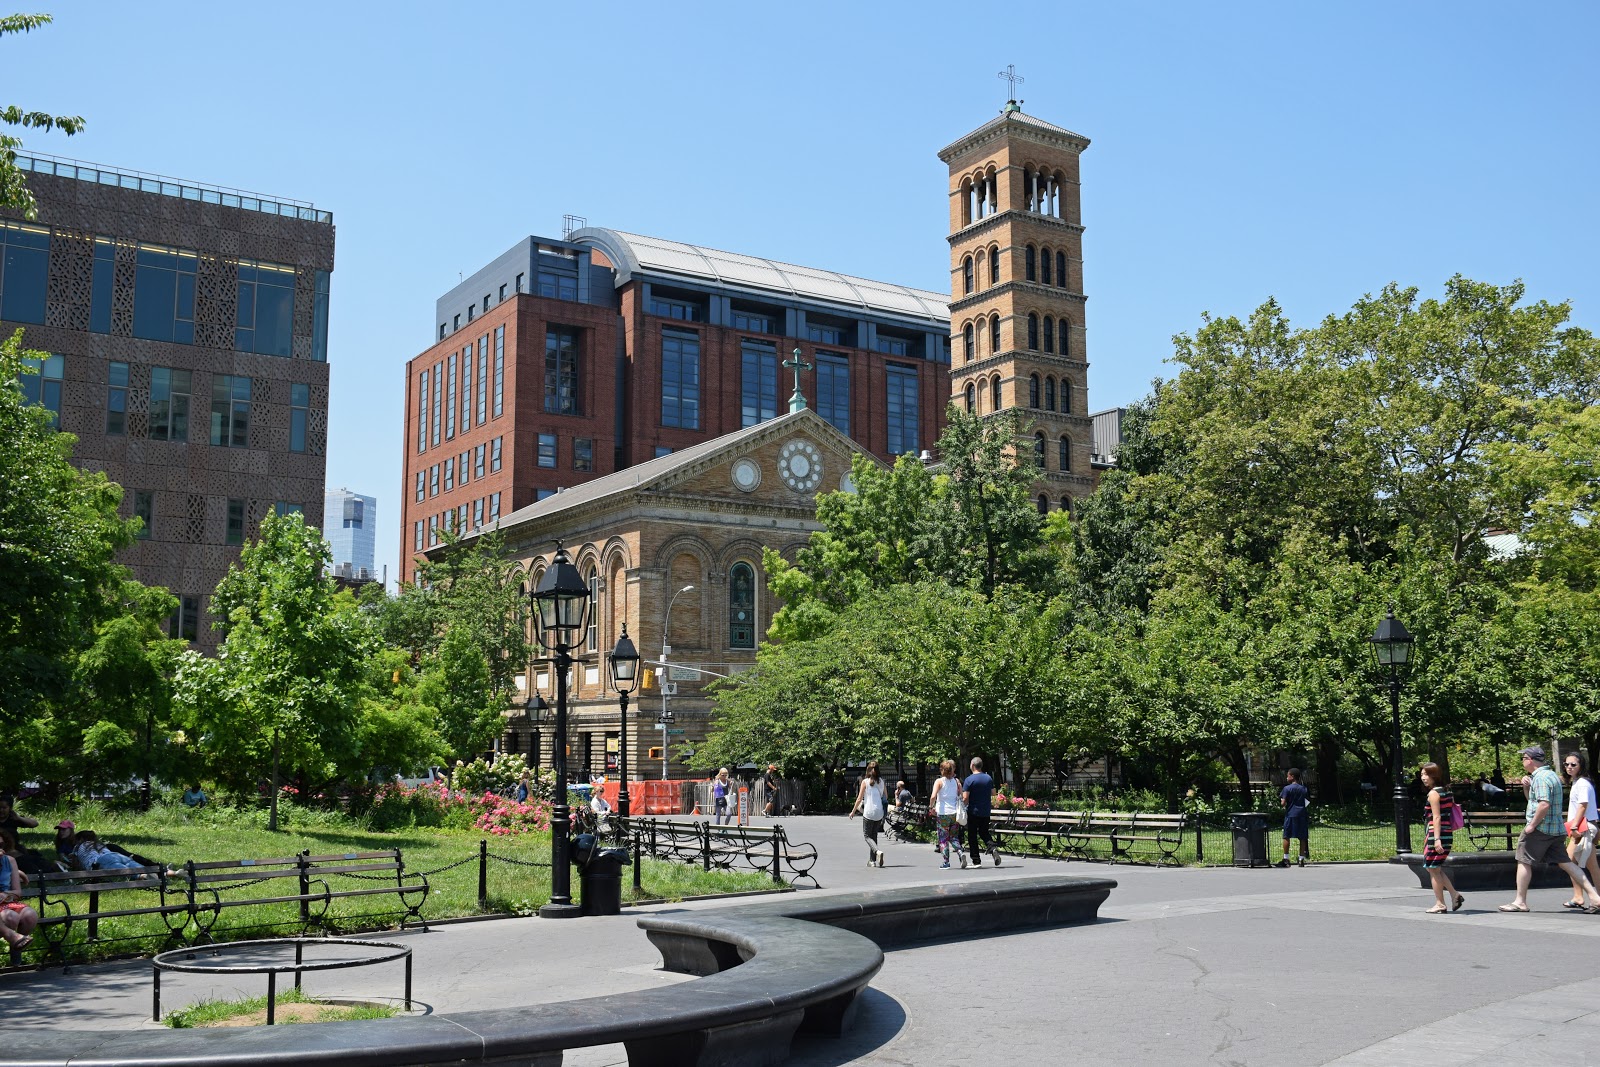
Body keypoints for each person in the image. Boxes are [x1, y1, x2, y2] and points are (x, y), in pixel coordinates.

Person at [1499, 746, 1600, 913]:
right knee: (1567, 863)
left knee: (1524, 860)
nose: (1522, 761)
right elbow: (1535, 801)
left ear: (1530, 759)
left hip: (1541, 829)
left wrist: (1531, 825)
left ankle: (1520, 902)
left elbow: (1543, 804)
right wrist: (1526, 788)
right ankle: (1595, 897)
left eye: (1523, 758)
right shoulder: (1551, 775)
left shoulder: (1541, 778)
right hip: (1556, 829)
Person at [1420, 762, 1464, 913]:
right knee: (1436, 869)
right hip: (1447, 833)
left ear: (1435, 775)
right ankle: (1454, 895)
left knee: (1432, 868)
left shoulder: (1433, 793)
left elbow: (1436, 817)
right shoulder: (1447, 791)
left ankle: (1440, 904)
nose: (1423, 778)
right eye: (1422, 775)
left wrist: (1436, 839)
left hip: (1436, 834)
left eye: (1426, 774)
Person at [1560, 751, 1600, 910]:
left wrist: (1575, 826)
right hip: (1585, 826)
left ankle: (1583, 897)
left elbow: (1583, 805)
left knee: (1568, 861)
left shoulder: (1582, 783)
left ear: (1581, 766)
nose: (1569, 767)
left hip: (1583, 827)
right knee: (1591, 866)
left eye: (1573, 764)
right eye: (1566, 764)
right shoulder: (1578, 782)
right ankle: (1580, 897)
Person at [963, 757, 1001, 868]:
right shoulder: (988, 778)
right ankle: (993, 848)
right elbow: (993, 793)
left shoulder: (969, 780)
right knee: (984, 832)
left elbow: (965, 797)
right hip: (985, 811)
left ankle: (976, 861)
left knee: (972, 836)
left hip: (973, 811)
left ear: (972, 765)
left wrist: (963, 806)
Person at [849, 761, 889, 868]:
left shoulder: (865, 782)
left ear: (868, 770)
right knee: (874, 835)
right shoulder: (881, 782)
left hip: (869, 812)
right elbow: (886, 796)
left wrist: (853, 812)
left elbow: (859, 799)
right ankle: (872, 861)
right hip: (879, 812)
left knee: (867, 836)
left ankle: (877, 852)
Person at [929, 759, 966, 869]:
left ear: (942, 770)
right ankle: (960, 852)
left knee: (943, 838)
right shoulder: (956, 781)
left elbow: (933, 796)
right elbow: (962, 795)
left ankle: (946, 862)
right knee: (954, 837)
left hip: (943, 814)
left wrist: (931, 807)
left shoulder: (939, 782)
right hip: (954, 813)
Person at [1, 843, 38, 952]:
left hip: (5, 902)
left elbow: (17, 892)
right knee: (11, 917)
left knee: (30, 915)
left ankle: (17, 948)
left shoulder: (8, 861)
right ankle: (13, 938)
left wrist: (6, 894)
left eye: (2, 844)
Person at [1276, 768, 1310, 867]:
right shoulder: (1304, 788)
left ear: (1292, 776)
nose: (1287, 777)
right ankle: (1301, 859)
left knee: (1286, 836)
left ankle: (1286, 859)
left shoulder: (1287, 789)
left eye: (1288, 775)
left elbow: (1283, 803)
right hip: (1302, 814)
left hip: (1290, 814)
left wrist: (1283, 801)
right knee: (1302, 837)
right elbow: (1307, 801)